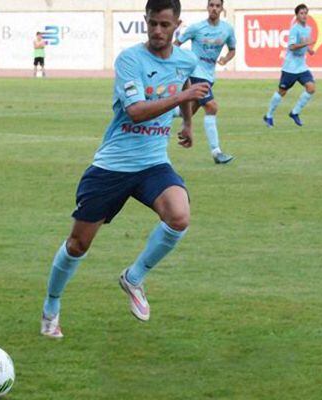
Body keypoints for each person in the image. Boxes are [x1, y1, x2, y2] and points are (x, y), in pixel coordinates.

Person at [40, 0, 210, 338]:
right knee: (78, 244)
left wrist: (188, 124)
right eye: (152, 24)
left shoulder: (186, 60)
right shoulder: (130, 59)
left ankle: (133, 278)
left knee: (179, 216)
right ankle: (51, 307)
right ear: (145, 21)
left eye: (165, 24)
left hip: (153, 163)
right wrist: (182, 98)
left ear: (178, 24)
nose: (158, 31)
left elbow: (187, 87)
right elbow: (135, 111)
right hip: (112, 166)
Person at [175, 0, 235, 164]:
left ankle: (160, 111)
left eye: (217, 5)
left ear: (222, 8)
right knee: (211, 106)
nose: (214, 8)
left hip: (208, 75)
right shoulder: (196, 28)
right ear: (207, 7)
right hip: (195, 73)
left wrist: (225, 59)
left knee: (186, 111)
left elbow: (232, 49)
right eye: (211, 5)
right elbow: (176, 44)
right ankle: (217, 153)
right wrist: (179, 63)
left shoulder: (227, 29)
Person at [264, 4, 316, 127]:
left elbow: (305, 43)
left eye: (305, 13)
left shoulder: (308, 29)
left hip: (302, 67)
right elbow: (292, 47)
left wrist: (309, 50)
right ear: (297, 15)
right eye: (301, 13)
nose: (304, 15)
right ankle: (268, 115)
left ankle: (295, 112)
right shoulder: (294, 29)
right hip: (290, 68)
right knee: (282, 92)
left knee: (311, 88)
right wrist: (306, 44)